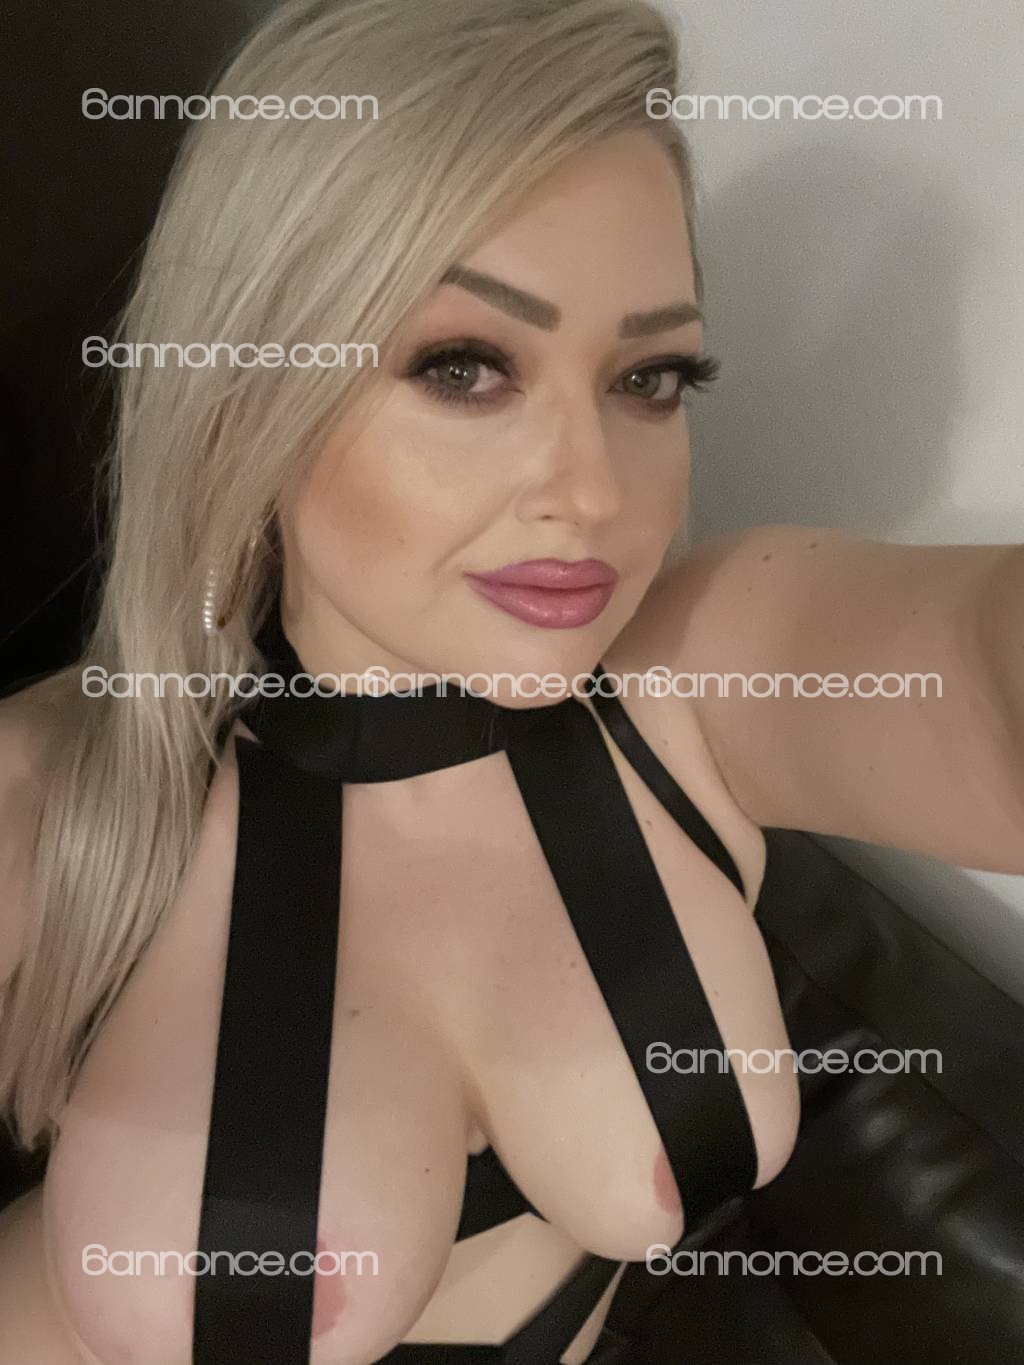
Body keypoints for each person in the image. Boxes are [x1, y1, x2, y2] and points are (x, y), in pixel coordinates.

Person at [0, 0, 1021, 1361]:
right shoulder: (52, 791)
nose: (592, 493)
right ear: (248, 390)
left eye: (650, 377)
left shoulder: (687, 686)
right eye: (465, 367)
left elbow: (985, 679)